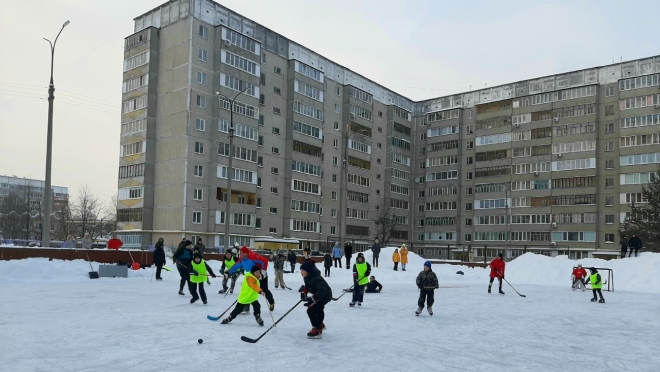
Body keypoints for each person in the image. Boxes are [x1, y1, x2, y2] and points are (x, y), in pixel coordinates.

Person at [227, 246, 275, 311]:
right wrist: (228, 273)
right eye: (241, 253)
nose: (241, 255)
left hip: (261, 276)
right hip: (250, 277)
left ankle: (271, 302)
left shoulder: (253, 256)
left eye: (243, 253)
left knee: (264, 290)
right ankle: (246, 307)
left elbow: (264, 261)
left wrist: (263, 271)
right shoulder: (241, 259)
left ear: (247, 253)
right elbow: (235, 266)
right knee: (247, 291)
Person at [299, 260, 332, 339]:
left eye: (303, 270)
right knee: (315, 309)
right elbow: (308, 285)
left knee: (313, 309)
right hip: (318, 294)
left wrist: (314, 299)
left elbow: (322, 290)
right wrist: (305, 291)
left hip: (324, 296)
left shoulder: (316, 279)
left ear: (308, 271)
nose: (301, 272)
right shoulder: (307, 277)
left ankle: (317, 328)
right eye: (301, 270)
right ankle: (319, 324)